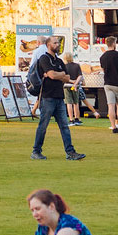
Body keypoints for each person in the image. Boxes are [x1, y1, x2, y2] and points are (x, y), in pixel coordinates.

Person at [29, 34, 84, 162]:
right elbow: (52, 75)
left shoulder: (59, 61)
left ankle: (70, 152)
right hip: (47, 97)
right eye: (55, 43)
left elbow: (65, 76)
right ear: (48, 45)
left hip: (59, 97)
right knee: (43, 125)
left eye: (58, 43)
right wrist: (57, 75)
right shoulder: (44, 58)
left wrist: (57, 75)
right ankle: (36, 151)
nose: (58, 45)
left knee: (64, 126)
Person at [98, 37, 118, 133]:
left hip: (108, 83)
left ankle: (113, 126)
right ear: (114, 43)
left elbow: (103, 69)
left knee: (111, 106)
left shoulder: (103, 57)